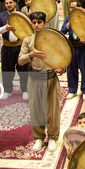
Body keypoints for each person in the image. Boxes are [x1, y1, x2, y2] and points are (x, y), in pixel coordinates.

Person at [18, 11, 65, 152]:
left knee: (52, 111)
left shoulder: (53, 39)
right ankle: (38, 137)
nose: (37, 25)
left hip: (50, 78)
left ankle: (52, 137)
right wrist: (30, 55)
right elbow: (20, 61)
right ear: (31, 24)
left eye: (39, 22)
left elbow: (63, 58)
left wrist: (62, 69)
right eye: (34, 23)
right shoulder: (27, 41)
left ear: (45, 23)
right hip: (34, 78)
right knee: (36, 110)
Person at [0, 0, 28, 100]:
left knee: (23, 70)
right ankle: (8, 90)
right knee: (7, 71)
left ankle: (25, 90)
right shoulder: (1, 16)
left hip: (20, 47)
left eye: (10, 3)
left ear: (15, 3)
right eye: (6, 3)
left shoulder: (22, 15)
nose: (8, 5)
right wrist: (6, 28)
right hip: (7, 47)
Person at [62, 11, 85, 101]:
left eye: (74, 7)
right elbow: (62, 31)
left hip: (83, 48)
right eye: (71, 7)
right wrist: (67, 26)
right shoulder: (69, 18)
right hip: (72, 47)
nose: (72, 9)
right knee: (71, 69)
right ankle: (72, 90)